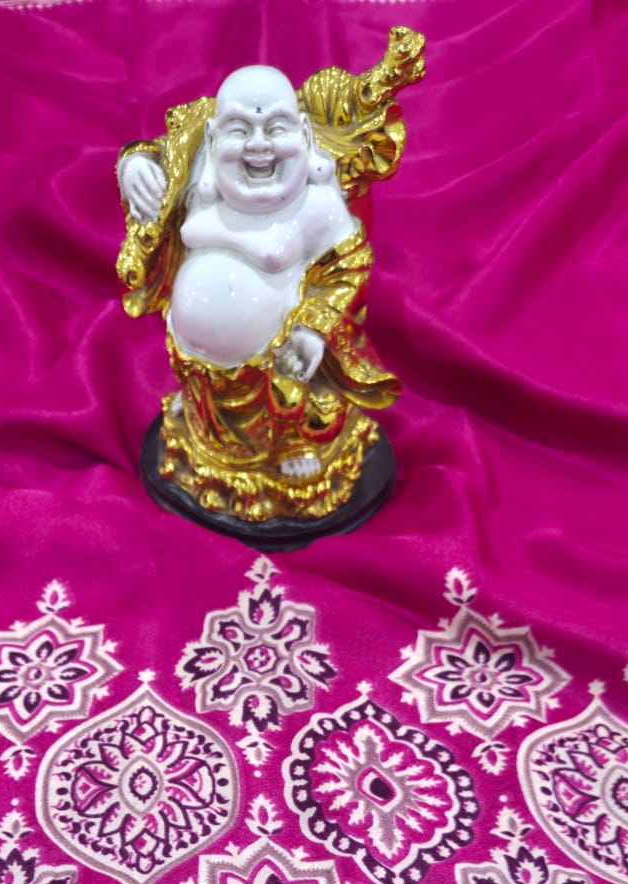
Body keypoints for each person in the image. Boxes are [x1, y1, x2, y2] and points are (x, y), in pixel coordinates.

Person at [116, 28, 425, 523]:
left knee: (294, 397)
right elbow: (156, 154)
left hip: (278, 366)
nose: (258, 146)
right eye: (240, 130)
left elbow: (346, 268)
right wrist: (133, 166)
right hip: (198, 358)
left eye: (275, 128)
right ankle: (201, 425)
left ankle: (290, 448)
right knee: (203, 389)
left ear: (303, 132)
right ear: (213, 135)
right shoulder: (196, 164)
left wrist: (312, 331)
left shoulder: (318, 204)